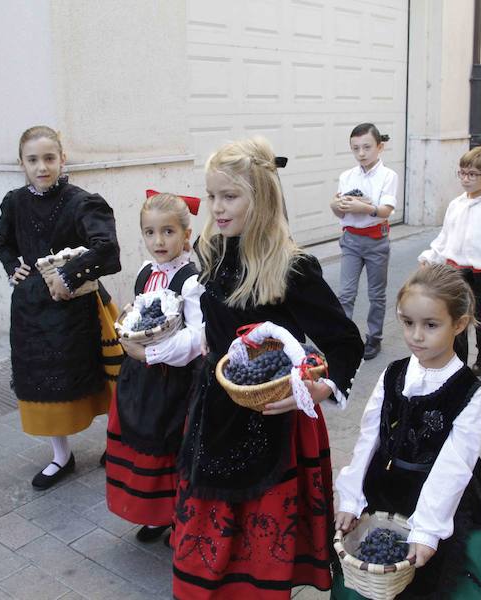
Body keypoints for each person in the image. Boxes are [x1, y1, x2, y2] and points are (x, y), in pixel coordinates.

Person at [173, 137, 364, 599]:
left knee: (259, 537)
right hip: (215, 408)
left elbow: (345, 343)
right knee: (210, 526)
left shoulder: (292, 268)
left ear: (261, 198)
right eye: (212, 195)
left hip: (271, 418)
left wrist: (322, 388)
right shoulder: (213, 252)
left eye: (230, 196)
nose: (217, 208)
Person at [332, 264, 481, 600]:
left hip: (440, 502)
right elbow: (369, 438)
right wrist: (352, 495)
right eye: (408, 323)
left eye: (430, 325)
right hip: (383, 490)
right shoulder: (392, 373)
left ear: (458, 324)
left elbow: (454, 466)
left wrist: (428, 530)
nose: (416, 335)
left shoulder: (469, 394)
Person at [0, 125, 122, 490]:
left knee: (108, 382)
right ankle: (61, 457)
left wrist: (69, 276)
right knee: (44, 385)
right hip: (33, 312)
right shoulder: (14, 201)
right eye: (33, 160)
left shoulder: (81, 201)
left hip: (81, 309)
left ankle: (117, 445)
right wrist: (10, 265)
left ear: (62, 159)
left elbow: (107, 248)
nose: (42, 167)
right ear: (22, 163)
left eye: (49, 158)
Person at [105, 191, 204, 544]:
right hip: (143, 378)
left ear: (186, 234)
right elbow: (141, 312)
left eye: (168, 232)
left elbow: (198, 338)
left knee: (170, 447)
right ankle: (157, 513)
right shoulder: (146, 271)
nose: (158, 241)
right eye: (150, 232)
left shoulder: (191, 282)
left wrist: (154, 353)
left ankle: (179, 518)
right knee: (143, 441)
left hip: (176, 380)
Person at [418, 146, 481, 377]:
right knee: (456, 319)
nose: (465, 179)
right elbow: (446, 237)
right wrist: (431, 257)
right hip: (455, 271)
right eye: (462, 173)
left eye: (472, 174)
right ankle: (458, 361)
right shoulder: (456, 205)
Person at [330, 123, 399, 360]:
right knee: (346, 293)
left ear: (380, 147)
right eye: (356, 148)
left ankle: (374, 337)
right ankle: (344, 338)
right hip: (350, 239)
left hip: (376, 241)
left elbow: (386, 211)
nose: (361, 153)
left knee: (376, 294)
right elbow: (341, 213)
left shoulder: (388, 176)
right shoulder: (346, 176)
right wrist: (335, 206)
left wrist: (364, 207)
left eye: (367, 147)